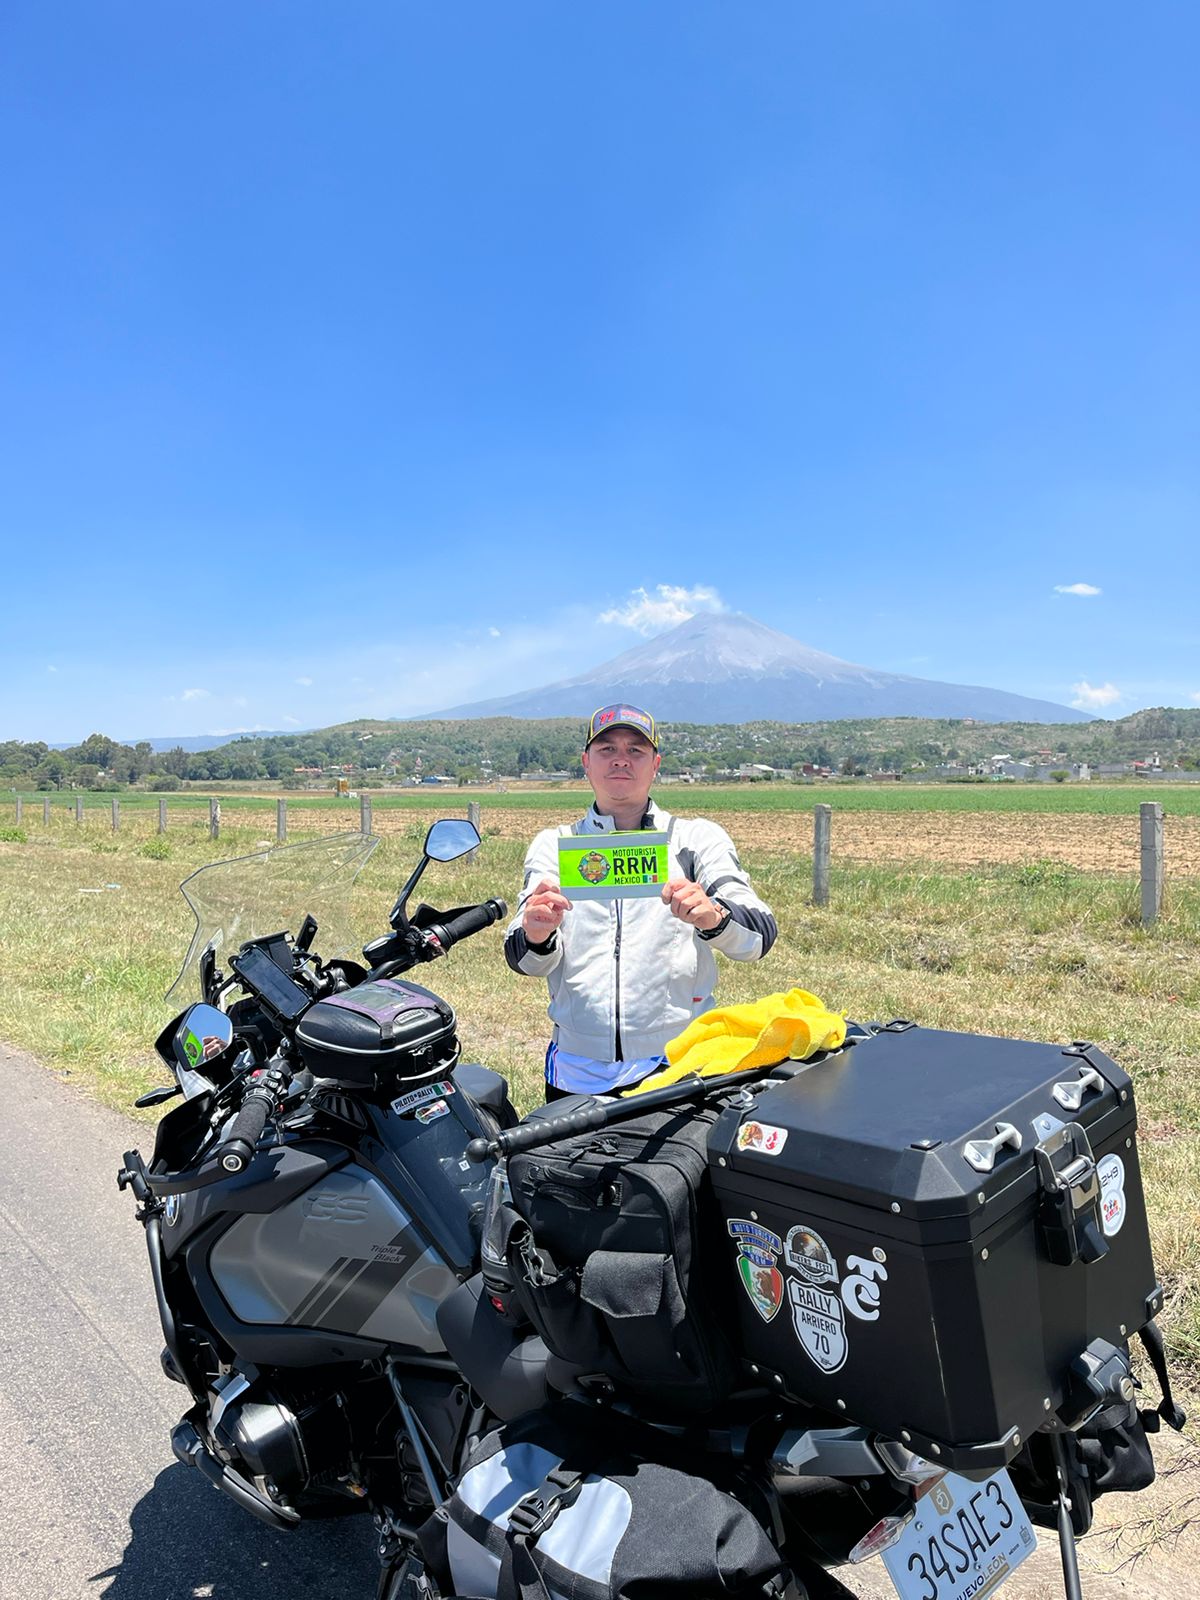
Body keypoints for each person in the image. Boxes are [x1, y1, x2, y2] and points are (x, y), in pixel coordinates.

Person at [504, 703, 778, 1098]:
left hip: (676, 1065)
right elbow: (526, 961)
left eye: (636, 750)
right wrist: (536, 933)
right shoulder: (556, 845)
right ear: (586, 762)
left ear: (655, 764)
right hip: (575, 1069)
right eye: (607, 750)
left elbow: (759, 937)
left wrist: (714, 916)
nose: (621, 761)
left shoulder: (695, 840)